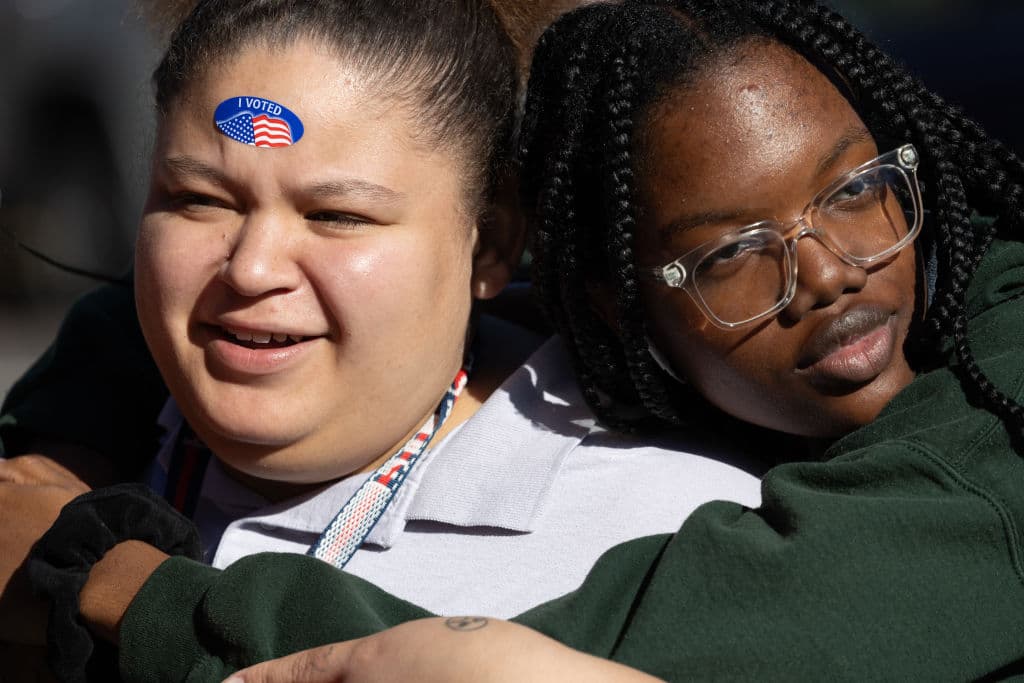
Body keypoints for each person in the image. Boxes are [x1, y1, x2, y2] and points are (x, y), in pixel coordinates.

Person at [29, 0, 1023, 680]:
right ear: (609, 303)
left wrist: (95, 574)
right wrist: (55, 437)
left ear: (489, 247)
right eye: (196, 199)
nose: (829, 272)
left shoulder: (691, 521)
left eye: (339, 216)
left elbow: (487, 660)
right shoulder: (114, 408)